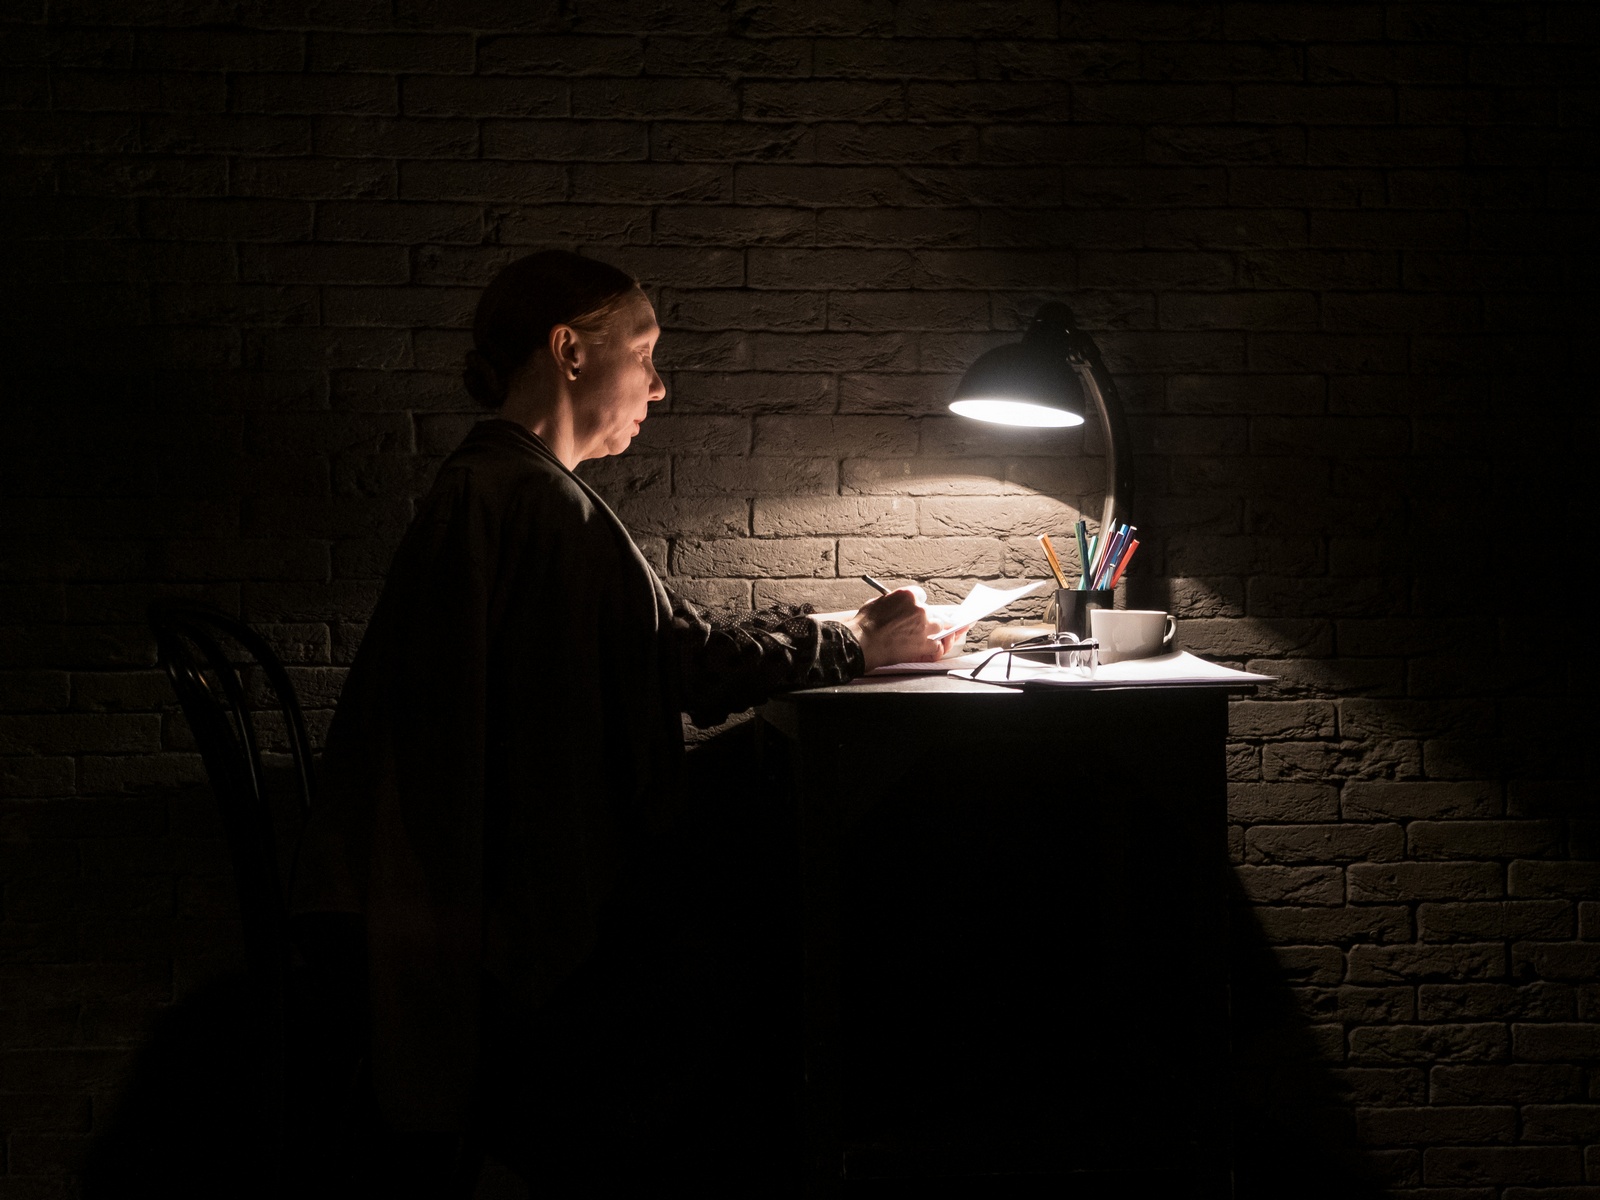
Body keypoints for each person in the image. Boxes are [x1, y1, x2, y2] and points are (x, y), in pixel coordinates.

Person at [291, 250, 967, 1192]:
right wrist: (855, 643)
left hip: (495, 865)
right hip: (542, 901)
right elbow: (687, 665)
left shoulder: (498, 483)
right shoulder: (538, 501)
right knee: (790, 831)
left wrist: (837, 632)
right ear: (570, 351)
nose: (659, 384)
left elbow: (662, 643)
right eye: (643, 353)